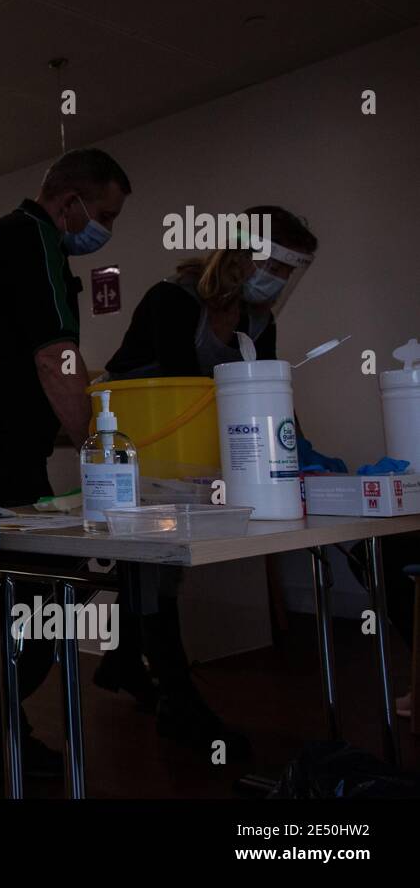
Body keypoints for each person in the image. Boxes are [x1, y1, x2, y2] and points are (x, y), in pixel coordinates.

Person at [96, 207, 319, 758]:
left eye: (293, 274)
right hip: (142, 449)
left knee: (162, 567)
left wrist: (298, 452)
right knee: (156, 564)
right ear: (245, 254)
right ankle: (178, 701)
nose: (283, 283)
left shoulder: (259, 322)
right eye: (280, 267)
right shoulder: (171, 300)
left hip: (201, 457)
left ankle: (125, 660)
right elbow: (180, 385)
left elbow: (262, 392)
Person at [0, 148, 132, 789]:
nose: (101, 227)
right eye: (102, 214)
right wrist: (96, 446)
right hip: (4, 451)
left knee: (15, 592)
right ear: (69, 202)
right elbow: (55, 356)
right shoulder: (36, 238)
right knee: (47, 589)